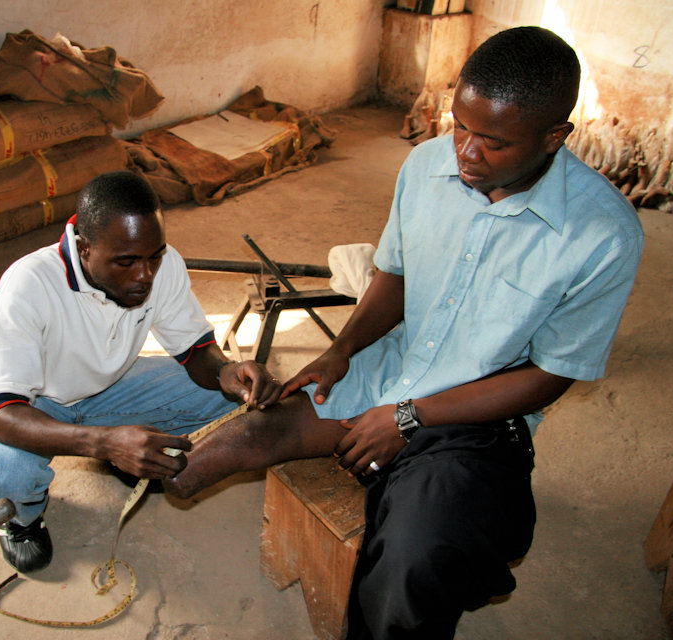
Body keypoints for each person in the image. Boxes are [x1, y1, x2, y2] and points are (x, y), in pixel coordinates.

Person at [163, 26, 644, 638]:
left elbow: (551, 375)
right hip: (396, 363)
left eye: (491, 142)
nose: (465, 152)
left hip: (476, 415)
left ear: (555, 137)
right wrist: (341, 352)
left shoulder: (603, 235)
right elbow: (394, 275)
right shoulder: (427, 166)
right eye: (461, 126)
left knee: (410, 568)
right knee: (241, 440)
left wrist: (409, 418)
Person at [0, 170, 281, 573]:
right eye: (127, 262)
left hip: (114, 388)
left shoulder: (162, 266)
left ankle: (122, 450)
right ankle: (23, 520)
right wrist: (105, 443)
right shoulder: (27, 286)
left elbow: (194, 349)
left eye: (154, 256)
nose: (144, 275)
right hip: (34, 407)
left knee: (238, 401)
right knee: (5, 469)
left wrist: (226, 370)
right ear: (83, 249)